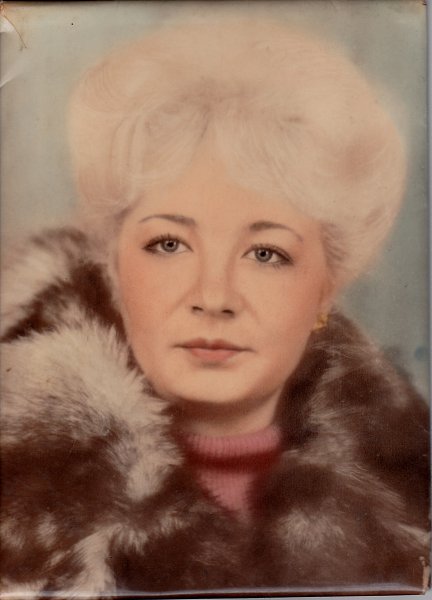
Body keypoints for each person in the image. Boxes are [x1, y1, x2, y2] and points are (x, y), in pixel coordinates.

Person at [0, 19, 429, 598]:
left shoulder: (411, 505)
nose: (214, 296)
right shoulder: (16, 498)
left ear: (326, 289)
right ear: (114, 266)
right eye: (169, 244)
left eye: (266, 253)